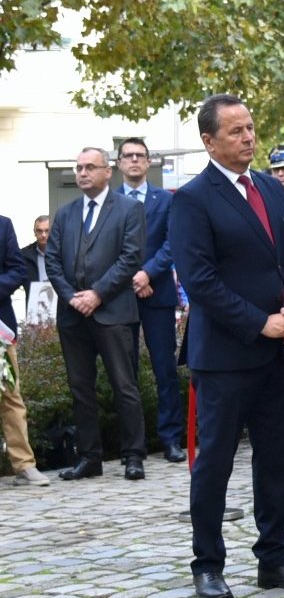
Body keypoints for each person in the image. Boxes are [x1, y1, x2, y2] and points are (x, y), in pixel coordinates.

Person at [170, 94, 284, 598]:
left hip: (278, 353)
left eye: (251, 128)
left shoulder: (273, 191)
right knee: (214, 462)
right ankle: (208, 563)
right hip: (226, 357)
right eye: (236, 131)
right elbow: (201, 281)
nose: (249, 138)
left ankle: (273, 560)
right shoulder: (192, 199)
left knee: (276, 459)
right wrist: (262, 324)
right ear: (209, 141)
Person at [45, 147, 148, 482]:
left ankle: (133, 456)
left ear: (108, 172)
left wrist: (97, 294)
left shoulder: (129, 209)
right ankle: (90, 457)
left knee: (124, 385)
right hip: (73, 315)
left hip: (113, 311)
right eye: (78, 167)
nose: (82, 173)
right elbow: (53, 262)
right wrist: (71, 297)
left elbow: (130, 258)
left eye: (90, 167)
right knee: (80, 388)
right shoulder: (65, 213)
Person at [116, 137, 186, 463]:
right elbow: (107, 247)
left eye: (139, 156)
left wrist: (147, 274)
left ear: (148, 162)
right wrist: (133, 277)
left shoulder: (166, 200)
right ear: (119, 163)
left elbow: (173, 243)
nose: (134, 161)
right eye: (127, 156)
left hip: (157, 293)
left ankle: (171, 439)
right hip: (120, 297)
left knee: (165, 370)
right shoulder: (111, 201)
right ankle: (134, 445)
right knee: (124, 373)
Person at [1, 212, 49, 486]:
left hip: (0, 329)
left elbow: (17, 270)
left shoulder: (3, 225)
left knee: (10, 396)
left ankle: (24, 464)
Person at [20, 216, 54, 325]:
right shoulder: (24, 255)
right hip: (33, 305)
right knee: (36, 340)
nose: (43, 235)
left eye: (47, 231)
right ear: (34, 232)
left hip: (58, 304)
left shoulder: (62, 253)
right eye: (39, 231)